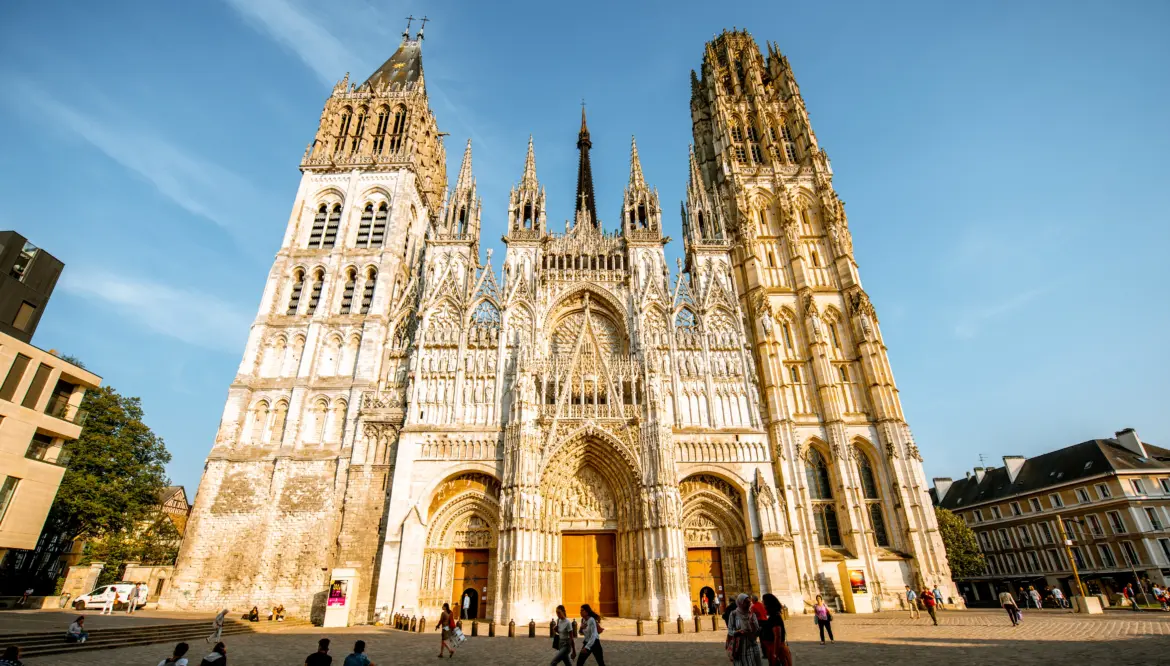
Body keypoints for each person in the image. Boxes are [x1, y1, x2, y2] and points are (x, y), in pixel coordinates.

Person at [726, 594, 762, 665]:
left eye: (749, 602)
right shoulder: (733, 614)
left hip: (751, 645)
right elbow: (730, 631)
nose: (749, 604)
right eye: (746, 602)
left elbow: (757, 631)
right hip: (739, 647)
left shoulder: (752, 615)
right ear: (740, 603)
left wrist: (755, 628)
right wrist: (737, 632)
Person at [759, 593, 788, 666]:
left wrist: (775, 654)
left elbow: (777, 636)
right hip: (772, 649)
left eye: (763, 601)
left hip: (776, 650)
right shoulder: (773, 616)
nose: (762, 603)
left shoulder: (775, 617)